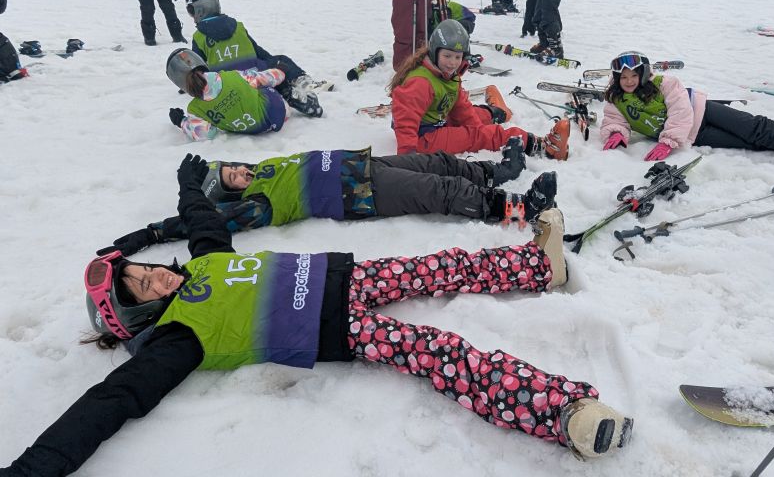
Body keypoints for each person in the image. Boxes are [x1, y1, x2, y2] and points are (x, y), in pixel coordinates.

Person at [0, 152, 633, 475]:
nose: (156, 272)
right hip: (337, 327)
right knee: (444, 354)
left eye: (146, 268)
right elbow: (113, 401)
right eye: (141, 285)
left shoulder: (200, 266)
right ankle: (566, 412)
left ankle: (537, 267)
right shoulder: (176, 339)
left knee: (446, 264)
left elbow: (199, 224)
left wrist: (189, 190)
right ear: (138, 319)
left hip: (346, 274)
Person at [96, 142, 558, 256]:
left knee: (439, 163)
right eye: (229, 180)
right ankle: (517, 208)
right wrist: (153, 231)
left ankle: (498, 171)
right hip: (356, 194)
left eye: (230, 167)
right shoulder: (251, 207)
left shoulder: (263, 167)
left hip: (360, 166)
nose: (237, 173)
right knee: (439, 192)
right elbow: (202, 225)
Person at [599, 52, 774, 165]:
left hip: (702, 111)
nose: (628, 81)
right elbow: (613, 120)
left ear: (643, 74)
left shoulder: (665, 84)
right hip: (694, 135)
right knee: (745, 142)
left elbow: (681, 112)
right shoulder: (616, 98)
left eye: (633, 75)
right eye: (623, 77)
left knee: (751, 127)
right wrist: (617, 133)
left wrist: (668, 140)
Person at [390, 19, 571, 160]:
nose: (453, 62)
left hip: (438, 121)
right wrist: (407, 155)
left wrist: (478, 127)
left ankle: (498, 111)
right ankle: (543, 146)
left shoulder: (448, 75)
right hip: (423, 138)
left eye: (457, 57)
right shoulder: (421, 82)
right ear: (434, 52)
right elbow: (405, 120)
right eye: (447, 55)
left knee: (476, 116)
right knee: (480, 136)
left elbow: (460, 107)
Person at [185, 0, 324, 117]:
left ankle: (279, 90)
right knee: (281, 60)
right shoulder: (238, 26)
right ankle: (300, 82)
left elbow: (199, 68)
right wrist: (276, 65)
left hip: (227, 83)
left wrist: (191, 85)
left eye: (191, 12)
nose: (191, 16)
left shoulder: (199, 37)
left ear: (200, 11)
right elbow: (257, 51)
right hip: (257, 74)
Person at [165, 48, 293, 139]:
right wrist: (280, 71)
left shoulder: (195, 109)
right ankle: (291, 92)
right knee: (258, 84)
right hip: (281, 111)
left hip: (254, 130)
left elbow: (205, 134)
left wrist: (181, 121)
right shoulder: (230, 76)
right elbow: (263, 78)